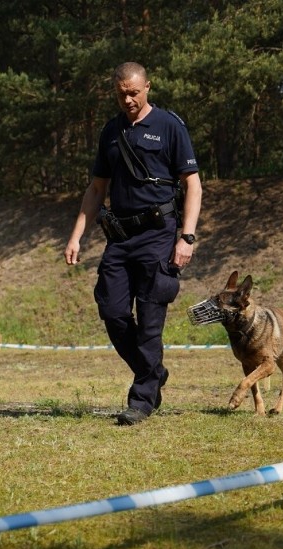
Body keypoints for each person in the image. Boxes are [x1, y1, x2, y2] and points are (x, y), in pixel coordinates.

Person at [64, 62, 203, 426]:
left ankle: (141, 400)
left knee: (150, 321)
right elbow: (97, 189)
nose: (128, 99)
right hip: (121, 239)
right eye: (121, 93)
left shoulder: (170, 126)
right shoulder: (111, 131)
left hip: (159, 235)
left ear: (147, 88)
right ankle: (152, 371)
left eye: (134, 92)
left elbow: (193, 184)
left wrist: (186, 237)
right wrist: (77, 235)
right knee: (111, 310)